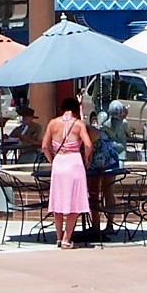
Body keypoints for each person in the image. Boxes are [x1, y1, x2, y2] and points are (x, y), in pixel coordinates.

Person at [41, 97, 92, 249]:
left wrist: (52, 160)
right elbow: (88, 144)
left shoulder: (53, 123)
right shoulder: (78, 124)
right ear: (76, 109)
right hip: (74, 161)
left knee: (58, 202)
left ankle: (58, 237)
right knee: (74, 203)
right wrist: (86, 158)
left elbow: (44, 146)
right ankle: (66, 238)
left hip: (59, 162)